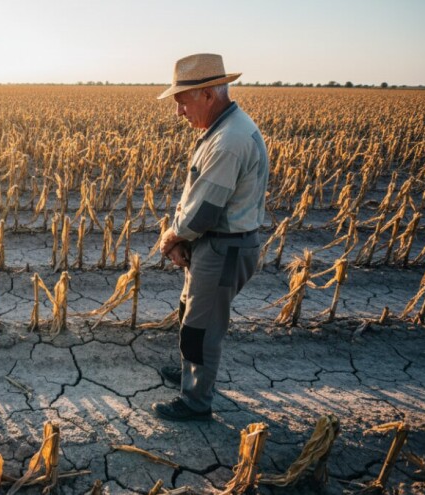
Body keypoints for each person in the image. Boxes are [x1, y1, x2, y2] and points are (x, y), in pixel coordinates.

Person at [151, 53, 269, 421]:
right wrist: (184, 239)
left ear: (207, 94)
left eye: (182, 101)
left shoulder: (229, 141)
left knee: (202, 328)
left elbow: (204, 211)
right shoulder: (222, 128)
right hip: (211, 242)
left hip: (223, 247)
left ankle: (196, 402)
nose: (179, 112)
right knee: (191, 315)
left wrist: (171, 239)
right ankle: (191, 375)